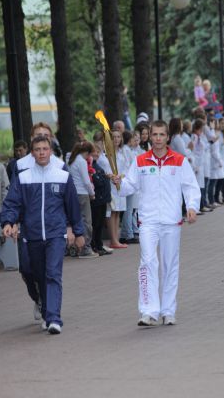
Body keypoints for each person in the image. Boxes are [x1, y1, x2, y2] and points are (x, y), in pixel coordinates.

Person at [111, 120, 201, 326]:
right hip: (148, 221)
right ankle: (149, 311)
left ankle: (168, 310)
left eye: (162, 135)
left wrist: (192, 206)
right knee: (147, 262)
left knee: (170, 266)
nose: (158, 139)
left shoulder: (179, 160)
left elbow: (190, 187)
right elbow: (128, 187)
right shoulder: (140, 161)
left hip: (171, 221)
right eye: (155, 135)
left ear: (167, 137)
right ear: (149, 137)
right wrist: (118, 183)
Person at [0, 135, 85, 334]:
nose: (41, 152)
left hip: (56, 235)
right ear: (32, 153)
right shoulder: (24, 177)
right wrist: (8, 222)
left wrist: (78, 231)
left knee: (53, 274)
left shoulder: (62, 175)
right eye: (37, 149)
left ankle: (55, 318)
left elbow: (72, 206)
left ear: (50, 151)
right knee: (39, 276)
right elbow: (12, 203)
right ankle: (47, 313)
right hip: (33, 235)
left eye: (45, 149)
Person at [68, 141, 97, 258]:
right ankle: (86, 248)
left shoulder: (71, 160)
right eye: (89, 154)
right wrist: (92, 193)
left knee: (76, 220)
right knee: (87, 222)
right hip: (83, 194)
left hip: (74, 193)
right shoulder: (81, 161)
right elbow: (86, 181)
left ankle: (75, 247)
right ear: (87, 152)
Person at [90, 143, 112, 256]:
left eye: (97, 152)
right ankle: (95, 245)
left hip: (102, 199)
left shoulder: (97, 166)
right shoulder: (91, 167)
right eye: (93, 152)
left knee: (100, 224)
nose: (95, 154)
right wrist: (103, 178)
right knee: (96, 224)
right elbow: (97, 182)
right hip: (97, 200)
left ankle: (99, 245)